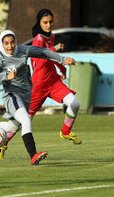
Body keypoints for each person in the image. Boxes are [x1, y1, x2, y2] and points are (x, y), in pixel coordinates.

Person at [0, 29, 76, 165]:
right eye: (6, 43)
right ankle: (33, 155)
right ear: (2, 45)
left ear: (15, 42)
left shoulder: (23, 51)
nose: (10, 46)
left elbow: (43, 52)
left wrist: (62, 59)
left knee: (12, 127)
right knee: (26, 120)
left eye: (12, 42)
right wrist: (5, 76)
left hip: (26, 95)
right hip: (12, 95)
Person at [29, 9, 82, 145]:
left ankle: (65, 132)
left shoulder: (51, 37)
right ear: (39, 23)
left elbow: (52, 58)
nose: (48, 25)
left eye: (50, 22)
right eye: (45, 22)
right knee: (24, 121)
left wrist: (62, 69)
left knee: (74, 103)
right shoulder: (38, 39)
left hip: (53, 81)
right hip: (39, 84)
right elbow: (41, 60)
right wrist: (56, 49)